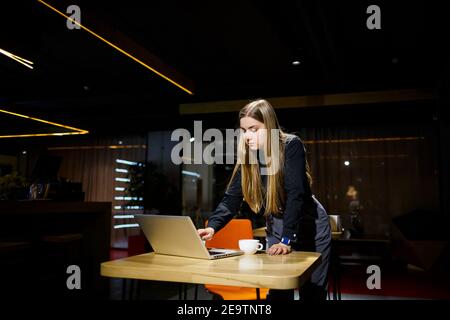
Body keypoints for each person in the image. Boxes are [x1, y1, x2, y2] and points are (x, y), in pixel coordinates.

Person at [197, 99, 331, 301]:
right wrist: (213, 226)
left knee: (312, 294)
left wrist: (287, 240)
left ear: (269, 126)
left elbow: (296, 195)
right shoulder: (249, 157)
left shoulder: (291, 145)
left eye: (254, 129)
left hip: (309, 225)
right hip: (276, 226)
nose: (248, 136)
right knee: (277, 294)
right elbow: (231, 199)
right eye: (244, 130)